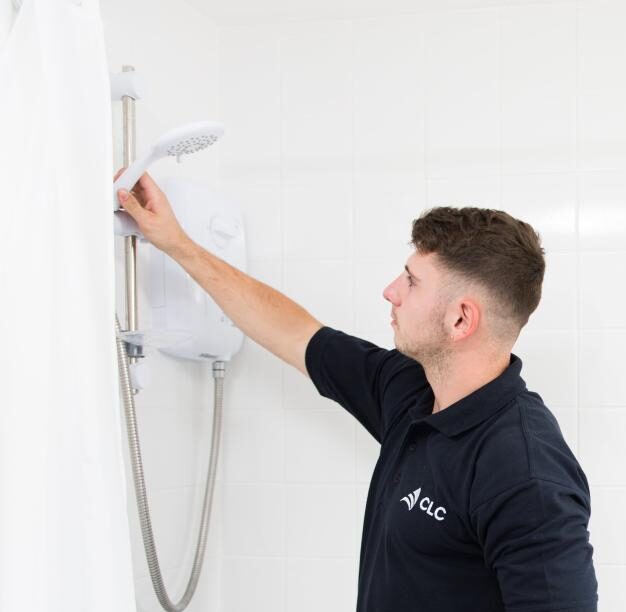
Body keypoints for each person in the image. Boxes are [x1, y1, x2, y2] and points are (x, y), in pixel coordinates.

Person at [114, 170, 598, 612]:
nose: (391, 291)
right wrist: (176, 243)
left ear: (460, 318)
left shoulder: (524, 472)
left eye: (412, 281)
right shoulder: (410, 392)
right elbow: (294, 332)